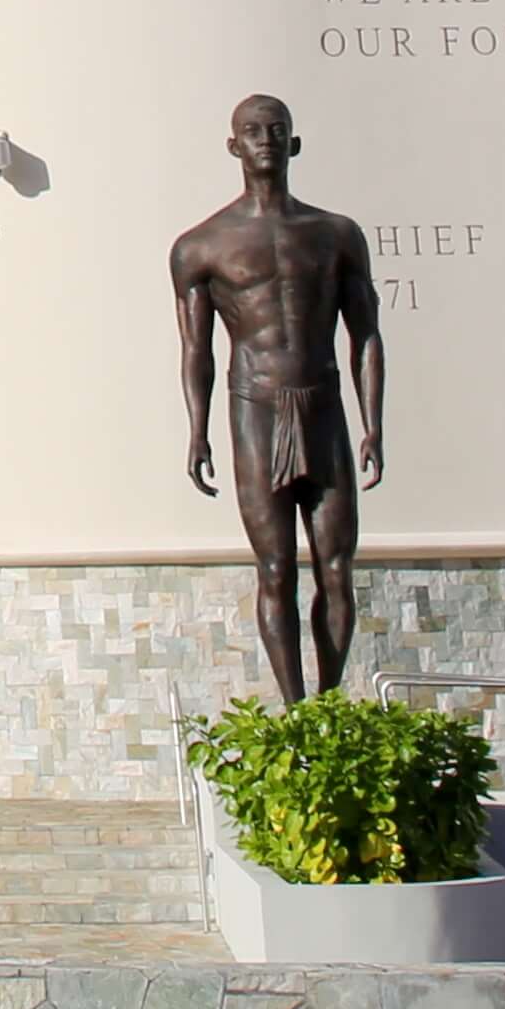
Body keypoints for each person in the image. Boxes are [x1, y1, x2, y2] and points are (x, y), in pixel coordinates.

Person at [170, 92, 389, 704]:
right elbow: (196, 350)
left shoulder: (336, 234)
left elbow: (365, 332)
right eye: (251, 130)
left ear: (292, 143)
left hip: (323, 407)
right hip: (256, 409)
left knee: (337, 567)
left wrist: (373, 422)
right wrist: (197, 430)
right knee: (275, 569)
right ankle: (295, 712)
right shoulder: (201, 246)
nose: (265, 138)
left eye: (276, 129)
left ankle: (327, 702)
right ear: (233, 145)